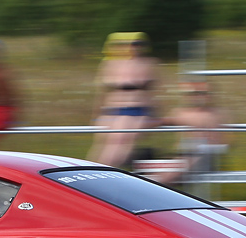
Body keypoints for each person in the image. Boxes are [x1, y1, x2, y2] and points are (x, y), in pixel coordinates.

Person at [87, 32, 159, 168]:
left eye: (139, 44)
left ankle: (106, 171)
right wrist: (96, 114)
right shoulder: (110, 64)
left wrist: (154, 114)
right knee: (105, 145)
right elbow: (101, 92)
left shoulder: (148, 63)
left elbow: (155, 92)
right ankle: (91, 170)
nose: (135, 48)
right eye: (132, 44)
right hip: (112, 108)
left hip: (136, 108)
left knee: (123, 144)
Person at [152, 80, 228, 186]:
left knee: (169, 172)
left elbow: (225, 142)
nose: (197, 97)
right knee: (153, 165)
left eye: (202, 93)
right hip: (183, 155)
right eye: (193, 94)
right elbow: (161, 122)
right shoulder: (180, 112)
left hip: (204, 156)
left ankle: (155, 186)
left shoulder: (214, 114)